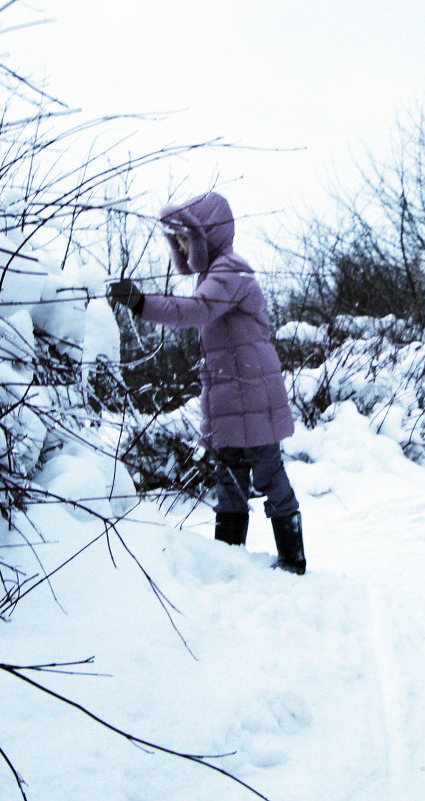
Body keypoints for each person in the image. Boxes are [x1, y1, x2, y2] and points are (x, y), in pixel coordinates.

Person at [108, 192, 306, 575]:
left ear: (206, 236)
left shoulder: (229, 273)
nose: (181, 245)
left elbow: (194, 311)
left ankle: (293, 561)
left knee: (267, 474)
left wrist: (141, 303)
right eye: (177, 240)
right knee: (229, 479)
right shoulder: (213, 275)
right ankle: (228, 560)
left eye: (185, 237)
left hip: (253, 394)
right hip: (231, 397)